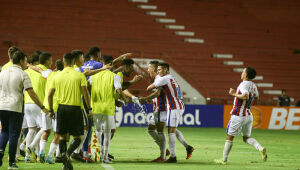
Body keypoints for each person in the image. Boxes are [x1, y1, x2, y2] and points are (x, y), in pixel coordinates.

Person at [0, 51, 48, 169]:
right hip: (15, 107)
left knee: (4, 131)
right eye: (25, 61)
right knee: (14, 134)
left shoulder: (2, 72)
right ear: (21, 61)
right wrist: (42, 106)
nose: (26, 63)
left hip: (2, 106)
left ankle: (0, 151)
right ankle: (12, 162)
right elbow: (31, 92)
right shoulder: (23, 74)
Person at [89, 55, 139, 164]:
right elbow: (119, 90)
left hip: (95, 107)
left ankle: (97, 153)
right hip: (108, 108)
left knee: (97, 131)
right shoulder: (114, 76)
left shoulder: (93, 76)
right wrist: (124, 98)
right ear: (111, 63)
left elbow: (88, 87)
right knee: (107, 133)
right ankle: (105, 156)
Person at [215, 67, 267, 165]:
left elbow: (245, 96)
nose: (242, 72)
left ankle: (224, 160)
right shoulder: (253, 85)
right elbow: (257, 97)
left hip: (238, 115)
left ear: (246, 75)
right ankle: (260, 148)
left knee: (229, 137)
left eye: (243, 71)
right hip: (248, 115)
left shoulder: (243, 84)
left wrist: (233, 94)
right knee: (246, 138)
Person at [48, 53, 92, 170]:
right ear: (73, 62)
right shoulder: (79, 75)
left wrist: (51, 110)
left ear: (63, 62)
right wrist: (89, 109)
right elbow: (85, 93)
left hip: (61, 109)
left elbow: (50, 95)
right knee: (79, 137)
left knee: (62, 137)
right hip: (75, 108)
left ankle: (64, 162)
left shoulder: (56, 76)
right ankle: (67, 155)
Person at [146, 62, 193, 163]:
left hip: (174, 107)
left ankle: (173, 156)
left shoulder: (163, 78)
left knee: (171, 131)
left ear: (166, 70)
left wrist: (147, 96)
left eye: (159, 70)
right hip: (175, 106)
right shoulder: (170, 77)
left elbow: (149, 88)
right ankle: (187, 147)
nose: (158, 72)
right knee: (172, 130)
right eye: (157, 70)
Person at [25, 52, 52, 162]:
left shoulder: (27, 71)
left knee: (31, 129)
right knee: (45, 128)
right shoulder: (46, 72)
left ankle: (28, 156)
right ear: (46, 61)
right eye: (51, 60)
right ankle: (29, 147)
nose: (52, 63)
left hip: (27, 103)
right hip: (39, 103)